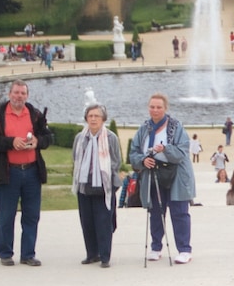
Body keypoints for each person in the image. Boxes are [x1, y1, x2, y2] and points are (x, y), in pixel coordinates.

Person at [0, 80, 52, 267]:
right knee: (7, 215)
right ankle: (5, 253)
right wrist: (11, 142)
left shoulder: (35, 114)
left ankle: (28, 254)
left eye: (22, 93)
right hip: (9, 172)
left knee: (31, 215)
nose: (19, 96)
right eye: (16, 93)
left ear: (27, 96)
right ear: (9, 94)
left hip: (31, 172)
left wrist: (38, 142)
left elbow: (48, 137)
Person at [129, 93, 196, 265]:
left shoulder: (176, 127)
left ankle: (184, 249)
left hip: (176, 175)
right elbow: (134, 153)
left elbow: (181, 153)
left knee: (179, 212)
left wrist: (165, 149)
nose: (155, 110)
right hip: (154, 174)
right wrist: (143, 160)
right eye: (152, 107)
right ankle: (156, 247)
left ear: (165, 108)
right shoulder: (144, 129)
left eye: (159, 107)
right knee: (156, 212)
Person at [72, 104, 122, 268]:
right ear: (86, 118)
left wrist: (104, 174)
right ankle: (91, 253)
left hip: (104, 185)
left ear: (103, 119)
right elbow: (75, 157)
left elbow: (116, 161)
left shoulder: (110, 137)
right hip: (84, 184)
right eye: (90, 116)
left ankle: (105, 256)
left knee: (103, 222)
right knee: (87, 221)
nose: (93, 119)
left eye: (97, 116)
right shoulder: (80, 138)